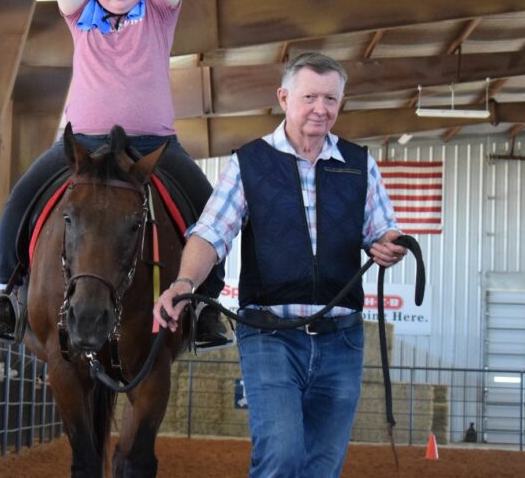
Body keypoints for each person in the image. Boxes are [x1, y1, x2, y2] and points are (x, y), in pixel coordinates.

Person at [0, 0, 230, 349]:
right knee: (19, 200)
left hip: (154, 146)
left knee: (212, 212)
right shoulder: (81, 16)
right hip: (83, 146)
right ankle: (2, 297)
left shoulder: (159, 12)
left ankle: (208, 307)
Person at [154, 52, 408, 478]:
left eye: (330, 99)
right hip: (270, 334)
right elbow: (211, 233)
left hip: (342, 338)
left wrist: (389, 246)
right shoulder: (250, 163)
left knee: (322, 467)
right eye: (310, 96)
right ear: (284, 97)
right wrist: (183, 282)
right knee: (282, 457)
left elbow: (383, 230)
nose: (320, 109)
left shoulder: (359, 164)